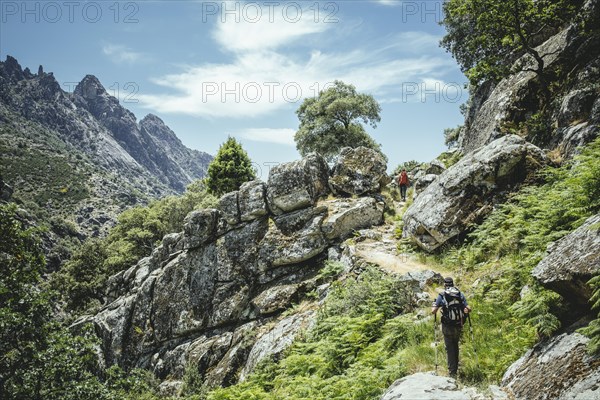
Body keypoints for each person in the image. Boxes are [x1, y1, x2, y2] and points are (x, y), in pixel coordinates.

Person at [431, 277, 471, 378]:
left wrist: (434, 305)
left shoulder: (442, 295)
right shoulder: (459, 294)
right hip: (458, 324)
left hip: (447, 326)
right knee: (455, 345)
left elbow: (433, 311)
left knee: (449, 348)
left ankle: (452, 372)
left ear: (445, 285)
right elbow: (468, 308)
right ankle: (456, 367)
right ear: (453, 284)